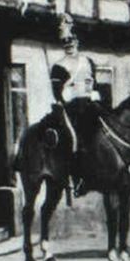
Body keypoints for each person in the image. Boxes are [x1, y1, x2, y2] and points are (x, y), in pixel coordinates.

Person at [50, 13, 102, 196]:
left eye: (71, 40)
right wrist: (68, 96)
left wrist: (95, 97)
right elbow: (57, 93)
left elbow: (94, 84)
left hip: (90, 103)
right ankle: (79, 177)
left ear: (77, 41)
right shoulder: (58, 66)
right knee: (76, 138)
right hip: (71, 106)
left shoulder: (88, 62)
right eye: (65, 41)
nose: (68, 44)